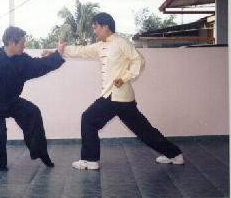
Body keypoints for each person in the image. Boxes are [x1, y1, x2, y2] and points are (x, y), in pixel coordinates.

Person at [53, 12, 184, 170]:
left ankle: (90, 160)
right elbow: (81, 50)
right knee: (143, 130)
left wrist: (125, 77)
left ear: (105, 26)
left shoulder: (121, 42)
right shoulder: (99, 46)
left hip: (116, 96)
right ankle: (175, 155)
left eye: (96, 27)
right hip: (121, 99)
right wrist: (59, 51)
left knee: (88, 118)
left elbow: (139, 60)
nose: (94, 31)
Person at [0, 26, 65, 171]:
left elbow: (39, 64)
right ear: (12, 43)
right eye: (22, 43)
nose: (24, 45)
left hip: (10, 100)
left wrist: (57, 55)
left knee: (32, 112)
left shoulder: (22, 60)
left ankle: (40, 152)